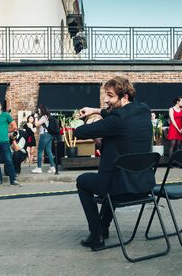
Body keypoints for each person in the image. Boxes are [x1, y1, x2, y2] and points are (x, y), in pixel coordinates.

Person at [75, 76, 154, 249]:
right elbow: (118, 122)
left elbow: (79, 133)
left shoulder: (116, 121)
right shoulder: (144, 110)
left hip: (120, 188)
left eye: (110, 96)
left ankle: (96, 235)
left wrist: (89, 119)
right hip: (143, 186)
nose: (105, 99)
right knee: (113, 178)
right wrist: (95, 110)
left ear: (124, 97)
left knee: (83, 181)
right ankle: (103, 227)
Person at [0, 101, 20, 186]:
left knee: (9, 161)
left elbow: (14, 126)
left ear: (1, 107)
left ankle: (13, 180)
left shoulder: (6, 115)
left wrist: (5, 131)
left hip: (5, 142)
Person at [31, 105, 56, 174]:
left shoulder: (44, 117)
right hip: (49, 135)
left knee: (39, 151)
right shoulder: (47, 116)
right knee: (48, 151)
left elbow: (36, 124)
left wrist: (36, 117)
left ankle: (39, 168)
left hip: (44, 135)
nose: (38, 111)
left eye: (38, 110)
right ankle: (52, 167)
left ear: (41, 110)